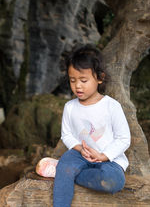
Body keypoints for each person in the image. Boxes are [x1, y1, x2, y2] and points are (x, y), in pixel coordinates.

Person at [53, 45, 131, 207]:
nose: (77, 86)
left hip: (109, 160)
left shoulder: (111, 106)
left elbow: (124, 138)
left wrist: (103, 156)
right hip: (79, 154)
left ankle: (74, 176)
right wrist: (80, 149)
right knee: (65, 166)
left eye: (83, 80)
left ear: (100, 78)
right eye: (72, 80)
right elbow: (66, 135)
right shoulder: (70, 107)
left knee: (112, 182)